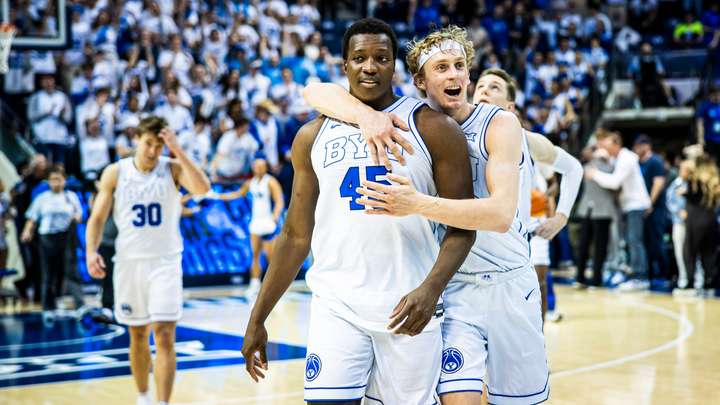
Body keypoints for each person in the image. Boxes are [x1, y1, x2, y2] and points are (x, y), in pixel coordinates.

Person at [303, 26, 552, 404]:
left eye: (459, 66)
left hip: (510, 284)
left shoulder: (499, 124)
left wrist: (416, 203)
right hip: (453, 289)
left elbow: (500, 215)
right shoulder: (414, 123)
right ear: (420, 80)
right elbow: (315, 92)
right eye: (441, 68)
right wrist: (363, 116)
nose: (453, 75)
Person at [241, 18, 476, 404]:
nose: (370, 66)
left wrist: (431, 290)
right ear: (344, 65)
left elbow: (462, 225)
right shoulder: (311, 136)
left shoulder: (433, 128)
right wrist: (258, 317)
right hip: (338, 306)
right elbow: (296, 235)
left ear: (394, 66)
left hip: (409, 307)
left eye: (381, 58)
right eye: (360, 58)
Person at [84, 116, 210, 405]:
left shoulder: (173, 168)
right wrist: (91, 251)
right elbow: (98, 218)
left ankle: (162, 403)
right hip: (129, 263)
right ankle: (143, 397)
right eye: (148, 144)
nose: (153, 151)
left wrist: (177, 150)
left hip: (165, 262)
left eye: (159, 145)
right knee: (137, 334)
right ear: (136, 140)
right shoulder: (115, 173)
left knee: (165, 334)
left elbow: (202, 189)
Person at [585, 131, 652, 291]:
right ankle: (632, 272)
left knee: (635, 241)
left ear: (616, 145)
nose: (605, 149)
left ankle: (640, 277)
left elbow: (614, 182)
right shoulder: (618, 158)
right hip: (628, 206)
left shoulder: (627, 158)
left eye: (608, 145)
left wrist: (594, 174)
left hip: (635, 205)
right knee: (630, 241)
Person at [20, 165, 82, 323]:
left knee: (71, 270)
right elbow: (32, 218)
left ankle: (80, 305)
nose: (56, 183)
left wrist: (76, 218)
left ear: (64, 180)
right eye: (53, 180)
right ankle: (48, 307)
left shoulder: (71, 196)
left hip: (67, 236)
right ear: (48, 181)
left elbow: (79, 214)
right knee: (48, 273)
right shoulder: (42, 198)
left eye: (59, 179)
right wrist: (27, 231)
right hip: (47, 237)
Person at [217, 156, 284, 298]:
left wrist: (276, 216)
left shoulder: (270, 181)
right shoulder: (250, 183)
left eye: (262, 166)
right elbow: (237, 194)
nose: (259, 168)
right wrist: (218, 196)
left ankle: (275, 286)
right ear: (253, 167)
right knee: (255, 254)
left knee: (271, 256)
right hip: (255, 222)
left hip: (268, 222)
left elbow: (279, 200)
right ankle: (255, 284)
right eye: (256, 166)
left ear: (266, 167)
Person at [633, 135, 669, 281]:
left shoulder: (655, 161)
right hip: (643, 209)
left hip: (656, 209)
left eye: (638, 146)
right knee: (646, 242)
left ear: (646, 146)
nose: (636, 149)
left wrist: (650, 203)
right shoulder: (639, 162)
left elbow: (658, 183)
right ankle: (649, 274)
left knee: (657, 242)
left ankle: (664, 274)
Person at [682, 154, 720, 296]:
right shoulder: (714, 180)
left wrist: (684, 193)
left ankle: (690, 283)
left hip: (695, 219)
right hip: (711, 220)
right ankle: (709, 281)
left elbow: (690, 195)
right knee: (709, 252)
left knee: (690, 251)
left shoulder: (693, 179)